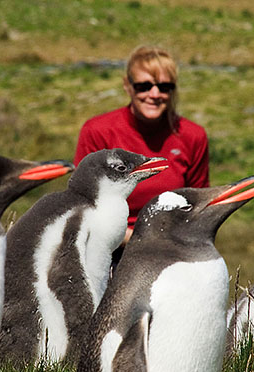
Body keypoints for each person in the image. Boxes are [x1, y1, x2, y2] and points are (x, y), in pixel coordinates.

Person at [74, 45, 210, 241]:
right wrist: (138, 241)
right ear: (127, 86)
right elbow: (84, 206)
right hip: (110, 246)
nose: (154, 94)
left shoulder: (192, 136)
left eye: (164, 87)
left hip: (172, 247)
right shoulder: (97, 132)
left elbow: (200, 208)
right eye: (143, 86)